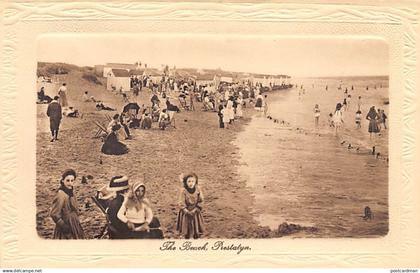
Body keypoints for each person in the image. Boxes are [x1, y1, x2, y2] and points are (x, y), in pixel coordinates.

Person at [50, 169, 85, 239]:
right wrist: (64, 226)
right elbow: (54, 214)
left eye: (72, 181)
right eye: (67, 180)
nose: (70, 183)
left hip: (74, 224)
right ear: (63, 180)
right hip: (66, 225)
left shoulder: (71, 191)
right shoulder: (61, 194)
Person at [176, 173, 205, 239]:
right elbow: (181, 202)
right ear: (186, 182)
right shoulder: (183, 191)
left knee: (195, 225)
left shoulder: (198, 190)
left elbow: (201, 200)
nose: (191, 183)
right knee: (186, 226)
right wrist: (186, 210)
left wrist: (196, 209)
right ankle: (186, 235)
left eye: (193, 181)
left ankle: (195, 234)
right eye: (189, 181)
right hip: (186, 212)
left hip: (195, 211)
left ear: (195, 182)